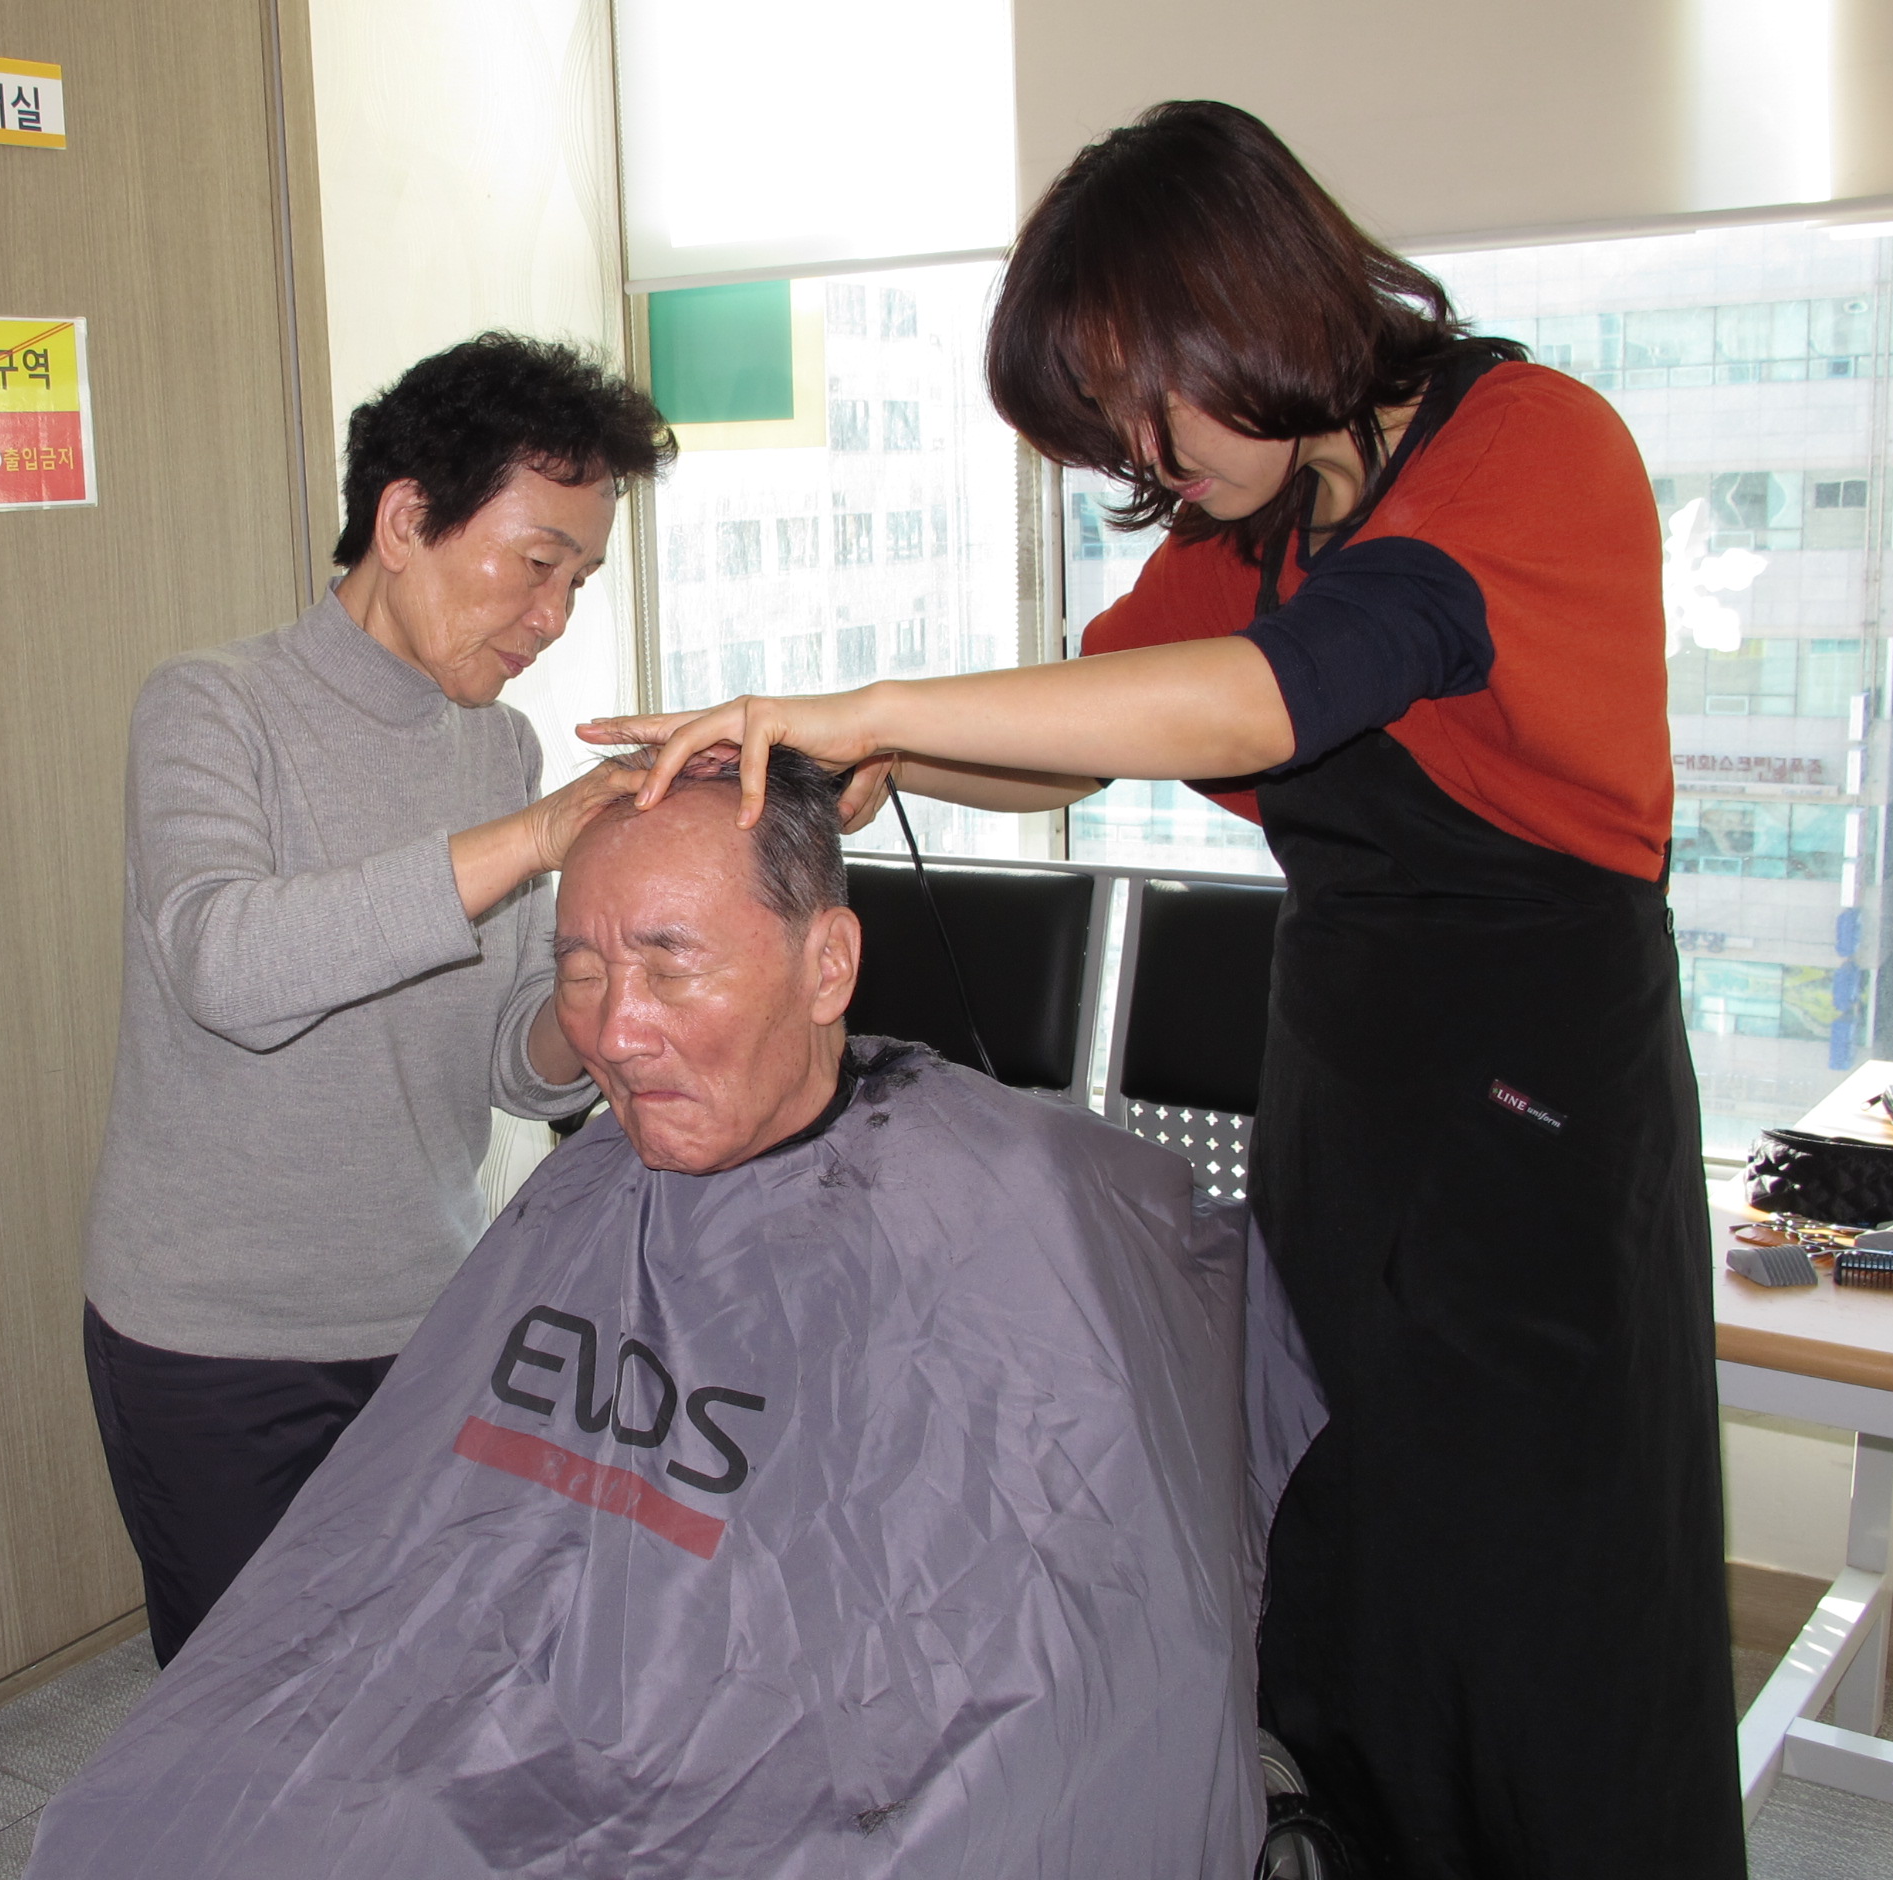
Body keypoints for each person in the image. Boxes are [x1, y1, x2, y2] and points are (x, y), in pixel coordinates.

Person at [583, 101, 1741, 1877]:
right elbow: (1083, 725)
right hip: (1345, 1079)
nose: (1143, 453)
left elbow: (1281, 693)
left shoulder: (1526, 449)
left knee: (1529, 1593)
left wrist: (875, 710)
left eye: (1148, 403)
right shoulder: (1248, 531)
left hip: (1538, 1109)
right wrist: (879, 761)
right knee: (1336, 1527)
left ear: (1248, 301)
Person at [29, 750, 1318, 1879]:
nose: (614, 1031)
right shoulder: (589, 1192)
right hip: (564, 1728)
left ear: (828, 965)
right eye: (580, 969)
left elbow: (1059, 1650)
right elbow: (424, 1551)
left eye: (668, 962)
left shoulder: (1025, 1213)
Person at [82, 334, 673, 1665]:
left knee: (423, 1686)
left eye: (580, 582)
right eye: (537, 564)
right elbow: (229, 969)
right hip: (217, 1338)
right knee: (249, 1709)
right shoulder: (213, 707)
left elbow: (512, 1065)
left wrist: (606, 986)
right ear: (405, 520)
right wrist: (535, 839)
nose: (554, 618)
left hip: (433, 1312)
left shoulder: (499, 747)